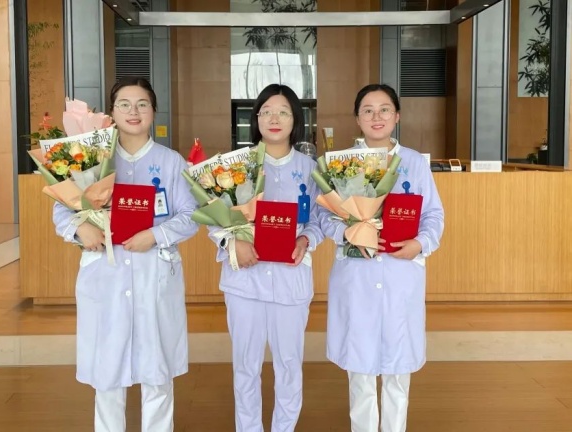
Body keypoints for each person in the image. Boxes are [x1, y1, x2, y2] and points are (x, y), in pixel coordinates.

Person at [52, 76, 198, 432]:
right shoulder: (91, 161)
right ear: (112, 113)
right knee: (108, 374)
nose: (134, 111)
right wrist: (80, 229)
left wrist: (155, 235)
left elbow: (191, 215)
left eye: (142, 104)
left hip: (155, 272)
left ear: (154, 111)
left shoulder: (171, 162)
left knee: (157, 373)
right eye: (124, 105)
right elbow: (62, 209)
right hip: (106, 273)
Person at [319, 83, 445, 432]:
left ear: (397, 116)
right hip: (357, 276)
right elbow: (324, 215)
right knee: (360, 373)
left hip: (401, 273)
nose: (377, 117)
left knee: (397, 371)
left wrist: (420, 243)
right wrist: (347, 233)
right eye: (368, 110)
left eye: (384, 109)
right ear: (357, 119)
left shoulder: (415, 163)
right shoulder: (341, 165)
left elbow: (433, 215)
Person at [209, 83, 324, 432]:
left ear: (296, 119)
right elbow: (213, 215)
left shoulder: (311, 168)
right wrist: (232, 241)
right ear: (255, 118)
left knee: (289, 364)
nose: (275, 119)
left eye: (283, 112)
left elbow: (321, 218)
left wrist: (306, 238)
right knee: (246, 366)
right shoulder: (234, 166)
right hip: (245, 281)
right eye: (267, 112)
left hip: (290, 280)